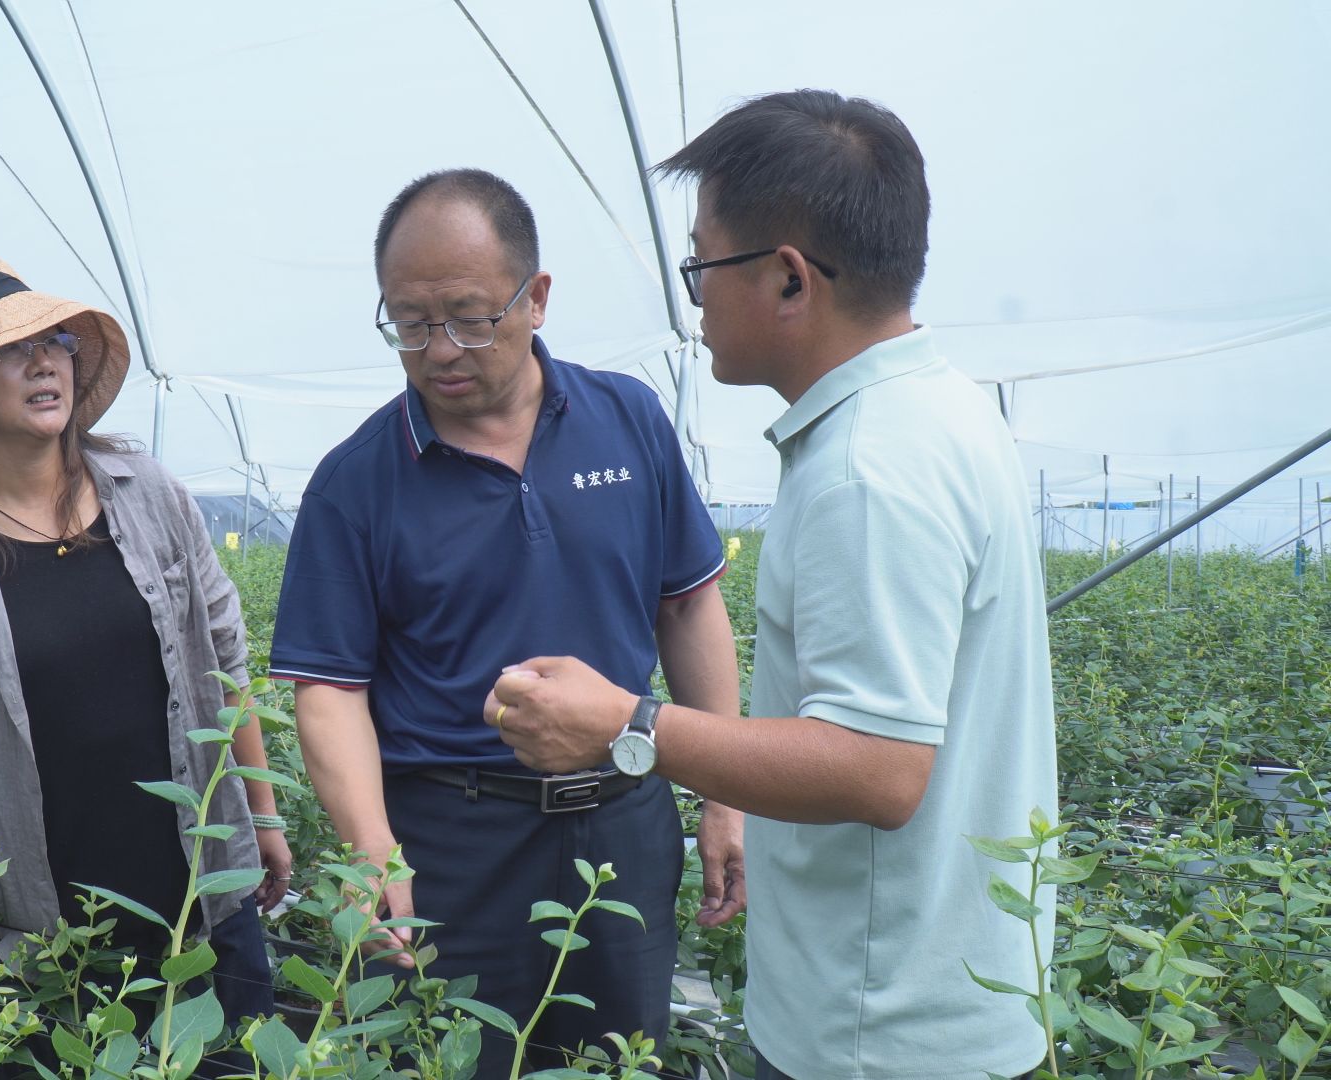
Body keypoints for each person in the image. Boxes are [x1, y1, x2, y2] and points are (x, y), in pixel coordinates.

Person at [484, 91, 1057, 1080]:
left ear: (789, 278)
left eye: (702, 265)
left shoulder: (867, 469)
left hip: (876, 1034)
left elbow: (877, 770)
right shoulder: (944, 412)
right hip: (949, 996)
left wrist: (626, 723)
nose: (695, 298)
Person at [269, 170, 743, 1078]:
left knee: (620, 1057)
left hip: (623, 826)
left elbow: (686, 604)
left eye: (469, 317)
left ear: (536, 298)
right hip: (451, 844)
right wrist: (374, 854)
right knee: (451, 1056)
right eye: (410, 323)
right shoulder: (356, 480)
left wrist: (724, 796)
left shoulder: (628, 421)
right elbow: (330, 689)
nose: (440, 349)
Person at [0, 253, 291, 1048]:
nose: (44, 360)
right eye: (9, 350)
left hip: (202, 894)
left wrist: (264, 819)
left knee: (235, 1057)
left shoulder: (148, 495)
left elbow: (223, 668)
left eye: (54, 341)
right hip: (49, 935)